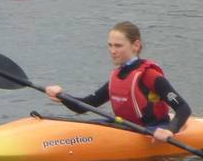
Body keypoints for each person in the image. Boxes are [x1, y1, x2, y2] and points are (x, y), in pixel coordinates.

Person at [44, 22, 192, 143]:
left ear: (136, 45)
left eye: (118, 46)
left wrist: (169, 131)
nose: (112, 51)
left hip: (152, 130)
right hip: (125, 128)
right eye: (110, 45)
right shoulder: (117, 76)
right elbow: (86, 105)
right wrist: (62, 96)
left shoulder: (150, 76)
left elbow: (183, 108)